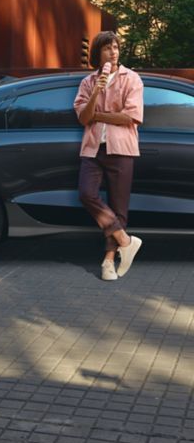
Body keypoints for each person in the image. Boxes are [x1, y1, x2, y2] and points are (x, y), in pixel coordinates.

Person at [73, 31, 144, 281]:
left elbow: (131, 117)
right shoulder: (88, 82)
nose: (113, 52)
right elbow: (83, 117)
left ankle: (108, 261)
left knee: (119, 207)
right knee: (86, 193)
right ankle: (125, 240)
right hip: (93, 149)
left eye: (115, 47)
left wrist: (99, 115)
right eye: (107, 48)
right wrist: (96, 93)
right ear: (98, 54)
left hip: (122, 150)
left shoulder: (132, 79)